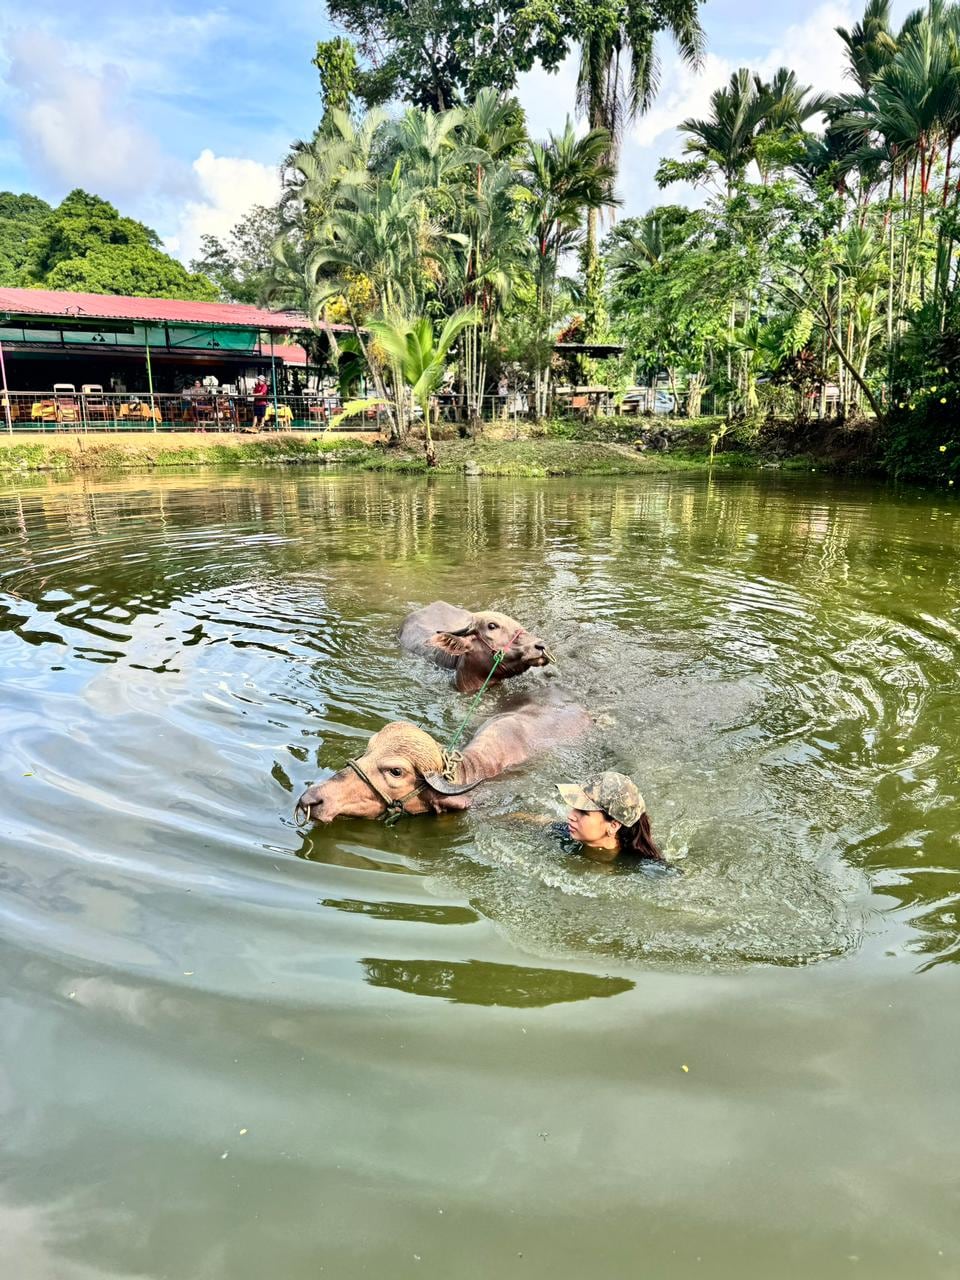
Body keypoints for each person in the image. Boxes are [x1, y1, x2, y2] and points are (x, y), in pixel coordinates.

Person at [550, 771, 669, 867]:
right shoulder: (565, 833)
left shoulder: (640, 866)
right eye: (575, 807)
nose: (570, 816)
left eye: (583, 812)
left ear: (613, 826)